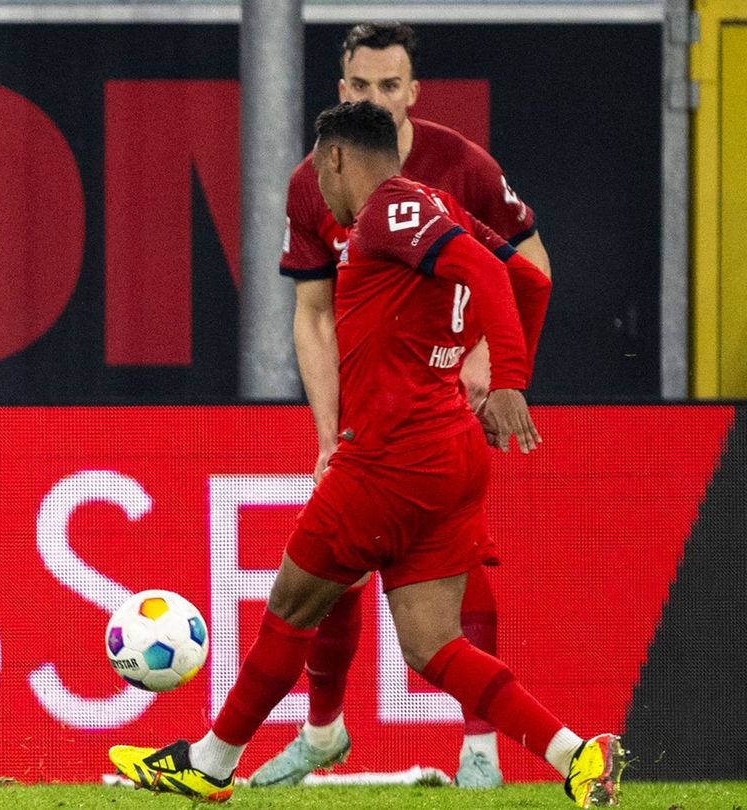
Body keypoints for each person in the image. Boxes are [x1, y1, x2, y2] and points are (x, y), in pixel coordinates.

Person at [109, 102, 624, 808]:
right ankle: (577, 754)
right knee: (433, 646)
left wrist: (508, 379)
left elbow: (489, 270)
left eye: (320, 175)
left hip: (388, 457)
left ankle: (209, 763)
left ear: (336, 159)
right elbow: (531, 280)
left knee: (291, 607)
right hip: (449, 451)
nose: (319, 195)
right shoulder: (437, 206)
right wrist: (498, 371)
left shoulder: (386, 212)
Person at [259, 22, 553, 789]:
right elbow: (314, 313)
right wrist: (328, 432)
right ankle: (323, 731)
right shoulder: (316, 178)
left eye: (390, 86)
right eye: (362, 85)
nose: (377, 98)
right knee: (342, 564)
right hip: (372, 402)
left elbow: (529, 265)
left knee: (453, 558)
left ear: (414, 92)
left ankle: (481, 747)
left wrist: (489, 361)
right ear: (341, 90)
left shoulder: (463, 166)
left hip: (444, 396)